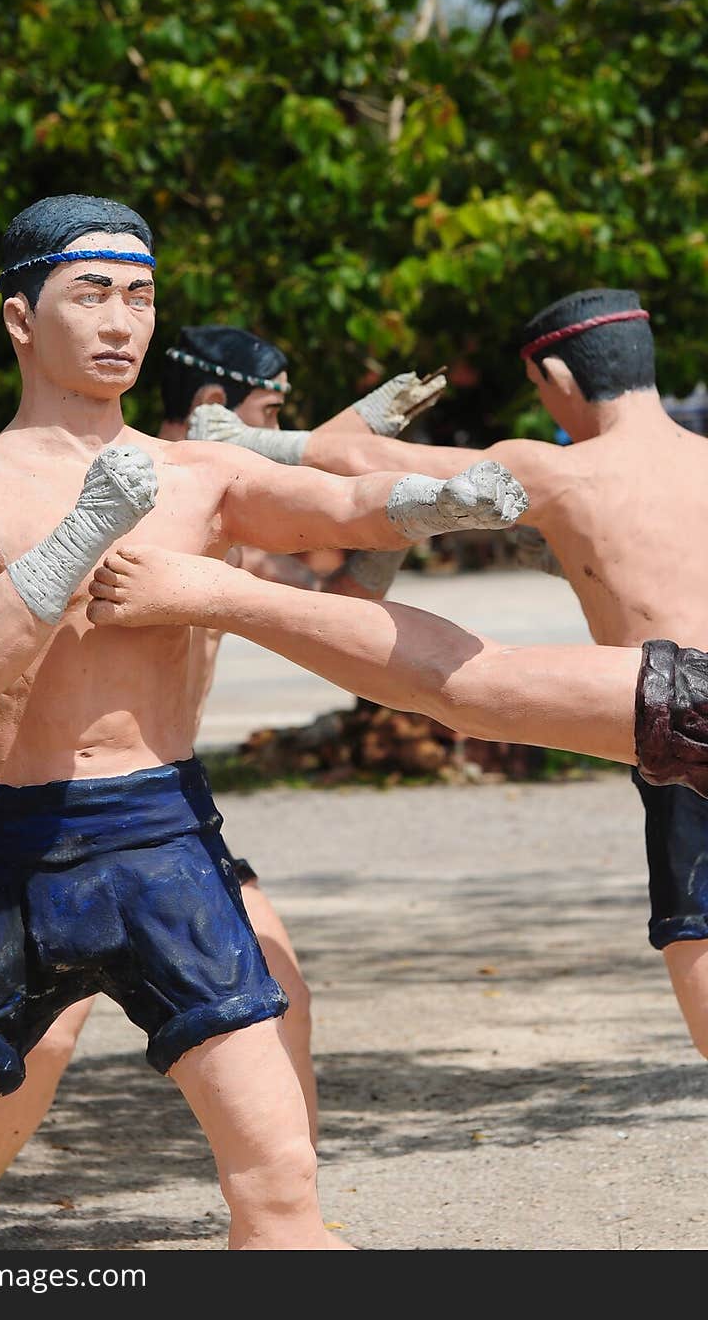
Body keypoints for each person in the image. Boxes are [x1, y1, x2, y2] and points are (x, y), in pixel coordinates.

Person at [0, 193, 528, 1252]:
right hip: (17, 862)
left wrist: (437, 502)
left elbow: (331, 514)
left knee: (277, 1176)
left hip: (163, 846)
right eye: (93, 294)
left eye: (141, 297)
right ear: (21, 317)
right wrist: (86, 529)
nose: (122, 322)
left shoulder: (199, 476)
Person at [0, 322, 440, 1249]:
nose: (277, 422)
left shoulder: (212, 495)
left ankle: (279, 1216)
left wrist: (410, 501)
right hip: (47, 825)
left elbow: (341, 577)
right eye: (271, 408)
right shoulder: (144, 480)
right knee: (33, 1043)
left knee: (276, 979)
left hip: (167, 817)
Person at [186, 287, 708, 1058]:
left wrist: (238, 440)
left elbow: (376, 466)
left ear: (557, 375)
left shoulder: (562, 471)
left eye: (539, 390)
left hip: (675, 717)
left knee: (472, 692)